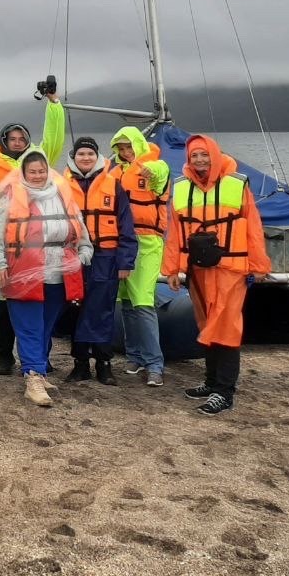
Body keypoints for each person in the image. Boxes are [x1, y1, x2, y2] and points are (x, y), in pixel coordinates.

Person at [163, 134, 271, 416]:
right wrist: (172, 268)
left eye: (204, 155)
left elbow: (253, 227)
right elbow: (175, 233)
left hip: (230, 269)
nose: (199, 160)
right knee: (207, 325)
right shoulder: (181, 187)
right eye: (194, 156)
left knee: (226, 326)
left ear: (214, 154)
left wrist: (259, 265)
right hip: (198, 270)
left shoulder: (236, 183)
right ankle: (211, 381)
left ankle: (224, 391)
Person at [0, 150, 93, 407]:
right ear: (23, 172)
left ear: (48, 171)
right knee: (29, 325)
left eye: (41, 171)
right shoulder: (11, 196)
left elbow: (78, 225)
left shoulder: (61, 194)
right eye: (32, 171)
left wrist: (85, 251)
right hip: (23, 271)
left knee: (46, 325)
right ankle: (32, 377)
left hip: (58, 272)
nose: (37, 176)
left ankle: (39, 371)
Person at [0, 94, 65, 375]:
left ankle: (40, 357)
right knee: (5, 301)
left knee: (40, 301)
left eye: (22, 138)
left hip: (39, 248)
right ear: (4, 141)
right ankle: (5, 357)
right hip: (9, 246)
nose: (17, 142)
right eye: (12, 139)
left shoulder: (38, 162)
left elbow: (54, 138)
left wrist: (54, 105)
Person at [61, 136, 137, 385]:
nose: (86, 158)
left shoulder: (113, 184)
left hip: (106, 256)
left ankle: (104, 363)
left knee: (103, 309)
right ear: (74, 157)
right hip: (74, 255)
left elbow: (126, 225)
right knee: (75, 309)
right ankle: (80, 363)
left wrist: (125, 261)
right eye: (81, 154)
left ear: (97, 157)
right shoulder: (62, 185)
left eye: (90, 154)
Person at [110, 126, 170, 386]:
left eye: (129, 147)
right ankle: (134, 356)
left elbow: (159, 174)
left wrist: (150, 171)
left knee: (143, 302)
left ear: (139, 145)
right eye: (121, 148)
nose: (126, 152)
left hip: (147, 242)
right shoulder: (114, 173)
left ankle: (154, 364)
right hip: (122, 242)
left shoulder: (156, 166)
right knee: (126, 302)